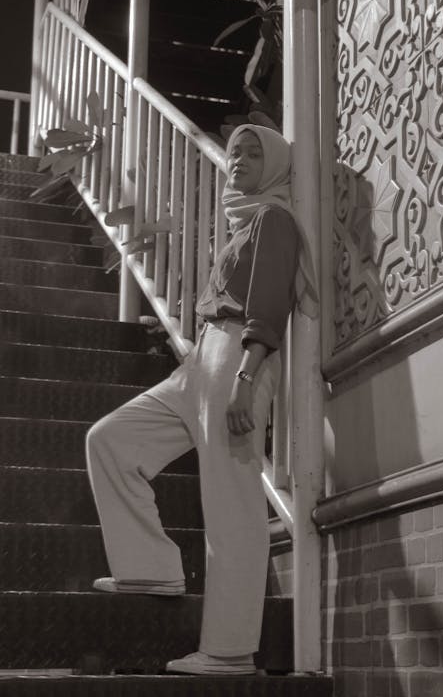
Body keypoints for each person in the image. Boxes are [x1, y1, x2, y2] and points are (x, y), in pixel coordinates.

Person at [86, 124, 318, 676]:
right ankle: (151, 566)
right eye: (235, 150)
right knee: (110, 440)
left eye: (254, 151)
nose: (239, 158)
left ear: (276, 164)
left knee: (232, 503)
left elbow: (267, 304)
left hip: (237, 357)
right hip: (201, 360)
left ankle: (231, 650)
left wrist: (244, 377)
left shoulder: (273, 219)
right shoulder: (241, 220)